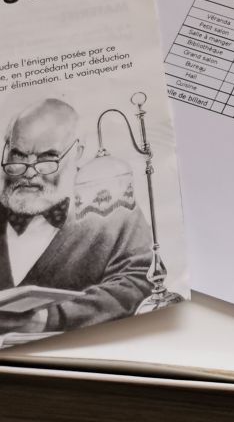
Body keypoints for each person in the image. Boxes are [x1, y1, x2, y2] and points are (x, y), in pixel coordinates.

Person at [0, 98, 153, 335]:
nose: (29, 172)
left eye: (47, 158)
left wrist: (49, 319)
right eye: (18, 155)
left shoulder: (113, 202)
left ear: (77, 152)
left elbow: (137, 283)